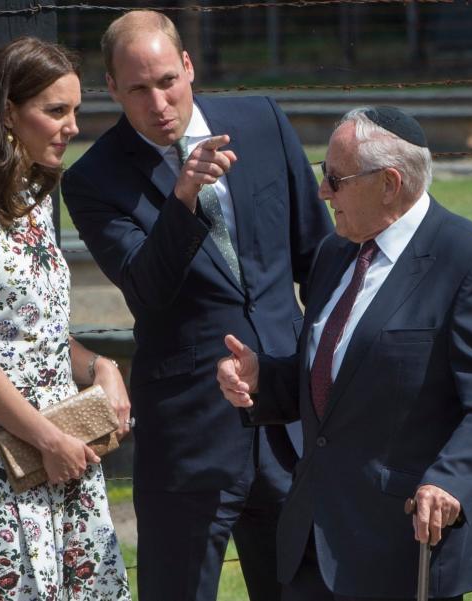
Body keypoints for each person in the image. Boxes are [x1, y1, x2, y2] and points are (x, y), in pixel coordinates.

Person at [60, 10, 333, 601]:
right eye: (137, 89)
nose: (158, 102)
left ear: (188, 66)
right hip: (189, 432)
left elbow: (320, 259)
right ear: (112, 89)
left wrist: (320, 378)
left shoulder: (260, 122)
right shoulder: (94, 179)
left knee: (308, 588)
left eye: (166, 81)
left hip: (289, 417)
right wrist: (181, 199)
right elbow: (146, 290)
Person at [216, 106, 472, 601]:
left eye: (335, 179)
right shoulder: (334, 252)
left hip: (403, 542)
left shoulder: (470, 261)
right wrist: (264, 381)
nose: (322, 192)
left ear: (389, 183)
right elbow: (338, 380)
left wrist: (450, 481)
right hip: (313, 542)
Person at [0, 37, 131, 600]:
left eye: (75, 110)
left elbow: (40, 335)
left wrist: (100, 368)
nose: (72, 127)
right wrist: (47, 439)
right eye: (55, 111)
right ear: (7, 112)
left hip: (62, 458)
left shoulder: (34, 202)